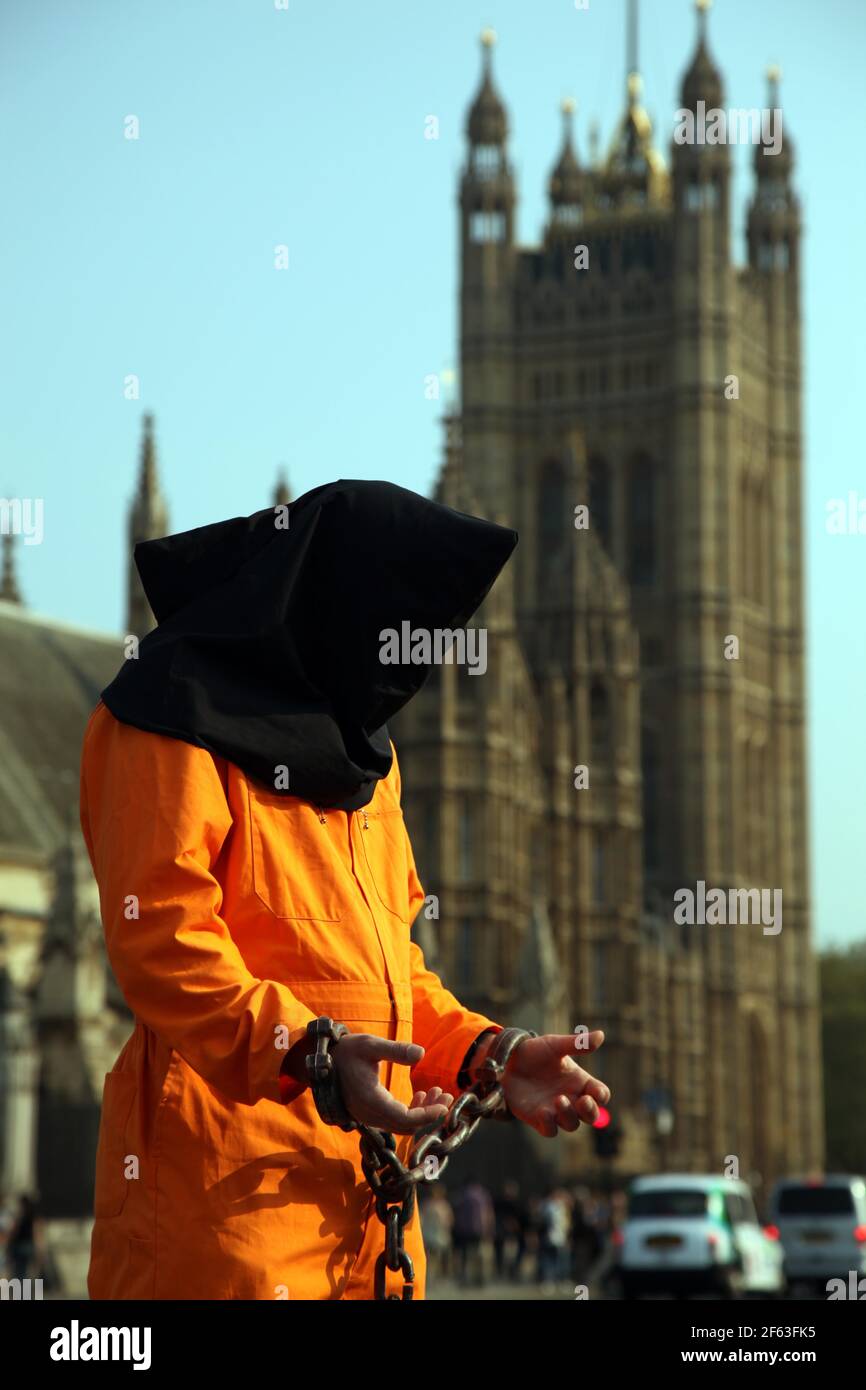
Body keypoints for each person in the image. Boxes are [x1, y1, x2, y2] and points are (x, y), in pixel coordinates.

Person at [80, 479, 611, 1300]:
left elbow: (392, 976)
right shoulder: (170, 715)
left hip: (370, 1219)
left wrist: (487, 1055)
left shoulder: (365, 760)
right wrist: (312, 1055)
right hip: (223, 1225)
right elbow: (162, 943)